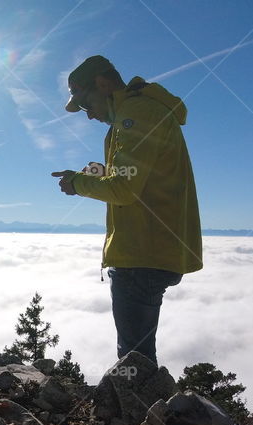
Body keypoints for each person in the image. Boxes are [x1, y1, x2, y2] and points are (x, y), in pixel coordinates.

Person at [51, 55, 202, 364]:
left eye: (85, 104)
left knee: (135, 359)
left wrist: (78, 184)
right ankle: (147, 407)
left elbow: (123, 188)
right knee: (138, 353)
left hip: (143, 253)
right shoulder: (140, 111)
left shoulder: (137, 113)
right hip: (151, 251)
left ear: (103, 84)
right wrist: (97, 174)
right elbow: (140, 178)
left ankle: (139, 411)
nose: (88, 116)